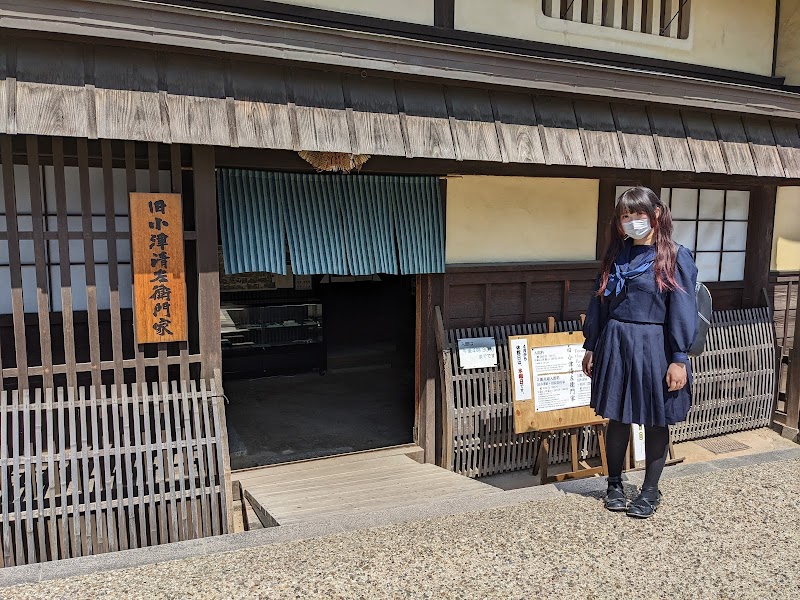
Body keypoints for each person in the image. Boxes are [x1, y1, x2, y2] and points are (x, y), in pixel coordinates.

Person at [582, 186, 698, 519]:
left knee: (656, 419)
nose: (632, 222)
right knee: (617, 417)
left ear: (656, 214)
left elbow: (682, 309)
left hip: (656, 344)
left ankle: (649, 491)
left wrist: (679, 358)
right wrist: (591, 346)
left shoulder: (675, 256)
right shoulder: (615, 256)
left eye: (638, 215)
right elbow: (599, 303)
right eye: (625, 216)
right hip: (616, 341)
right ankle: (615, 485)